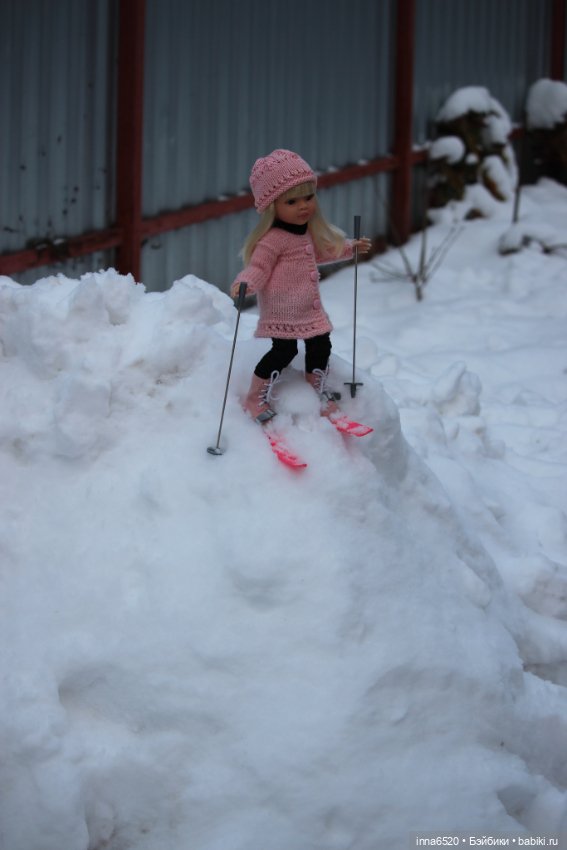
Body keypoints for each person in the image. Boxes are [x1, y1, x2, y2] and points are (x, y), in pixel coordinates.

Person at [231, 149, 371, 424]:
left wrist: (349, 248)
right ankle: (254, 398)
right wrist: (244, 283)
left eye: (309, 197)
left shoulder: (305, 233)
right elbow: (259, 267)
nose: (304, 206)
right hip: (282, 311)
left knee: (321, 344)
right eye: (292, 201)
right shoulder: (273, 240)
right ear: (272, 206)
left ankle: (315, 389)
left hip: (307, 309)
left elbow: (323, 252)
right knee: (285, 351)